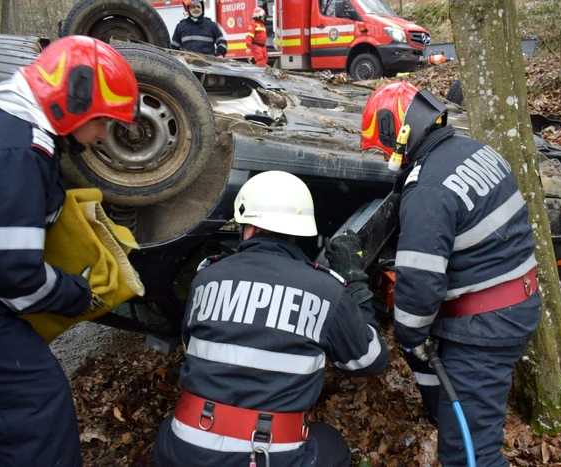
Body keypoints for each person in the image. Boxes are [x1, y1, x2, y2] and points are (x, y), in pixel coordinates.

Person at [0, 36, 139, 466]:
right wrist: (74, 293)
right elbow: (9, 271)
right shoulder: (18, 149)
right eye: (102, 121)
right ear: (74, 99)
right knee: (34, 408)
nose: (101, 136)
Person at [154, 170, 389, 467]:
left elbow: (191, 343)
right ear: (299, 231)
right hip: (264, 456)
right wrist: (354, 281)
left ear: (248, 226)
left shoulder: (206, 277)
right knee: (333, 445)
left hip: (182, 449)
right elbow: (372, 360)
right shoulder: (325, 289)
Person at [361, 82, 541, 467]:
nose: (391, 158)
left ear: (400, 132)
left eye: (386, 148)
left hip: (485, 329)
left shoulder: (428, 188)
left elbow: (421, 284)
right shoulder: (476, 150)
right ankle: (443, 411)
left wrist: (408, 335)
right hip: (515, 299)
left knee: (469, 456)